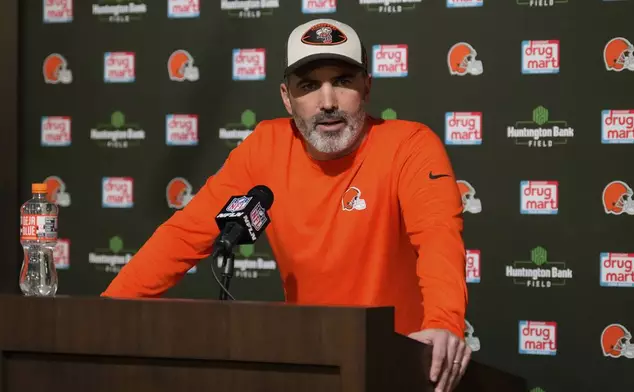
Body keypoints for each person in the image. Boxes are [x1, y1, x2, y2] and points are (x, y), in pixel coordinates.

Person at [102, 18, 470, 392]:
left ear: (367, 86)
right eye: (308, 86)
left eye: (342, 82)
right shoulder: (266, 147)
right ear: (286, 97)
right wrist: (104, 314)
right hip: (311, 366)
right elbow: (184, 235)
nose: (327, 103)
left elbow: (438, 237)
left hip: (399, 370)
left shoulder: (410, 145)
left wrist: (444, 324)